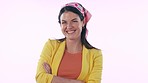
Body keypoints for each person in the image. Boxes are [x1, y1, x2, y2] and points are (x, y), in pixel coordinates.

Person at [35, 2, 103, 83]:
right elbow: (40, 77)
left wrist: (52, 78)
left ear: (83, 22)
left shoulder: (95, 55)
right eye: (64, 22)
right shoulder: (51, 46)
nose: (69, 26)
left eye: (74, 21)